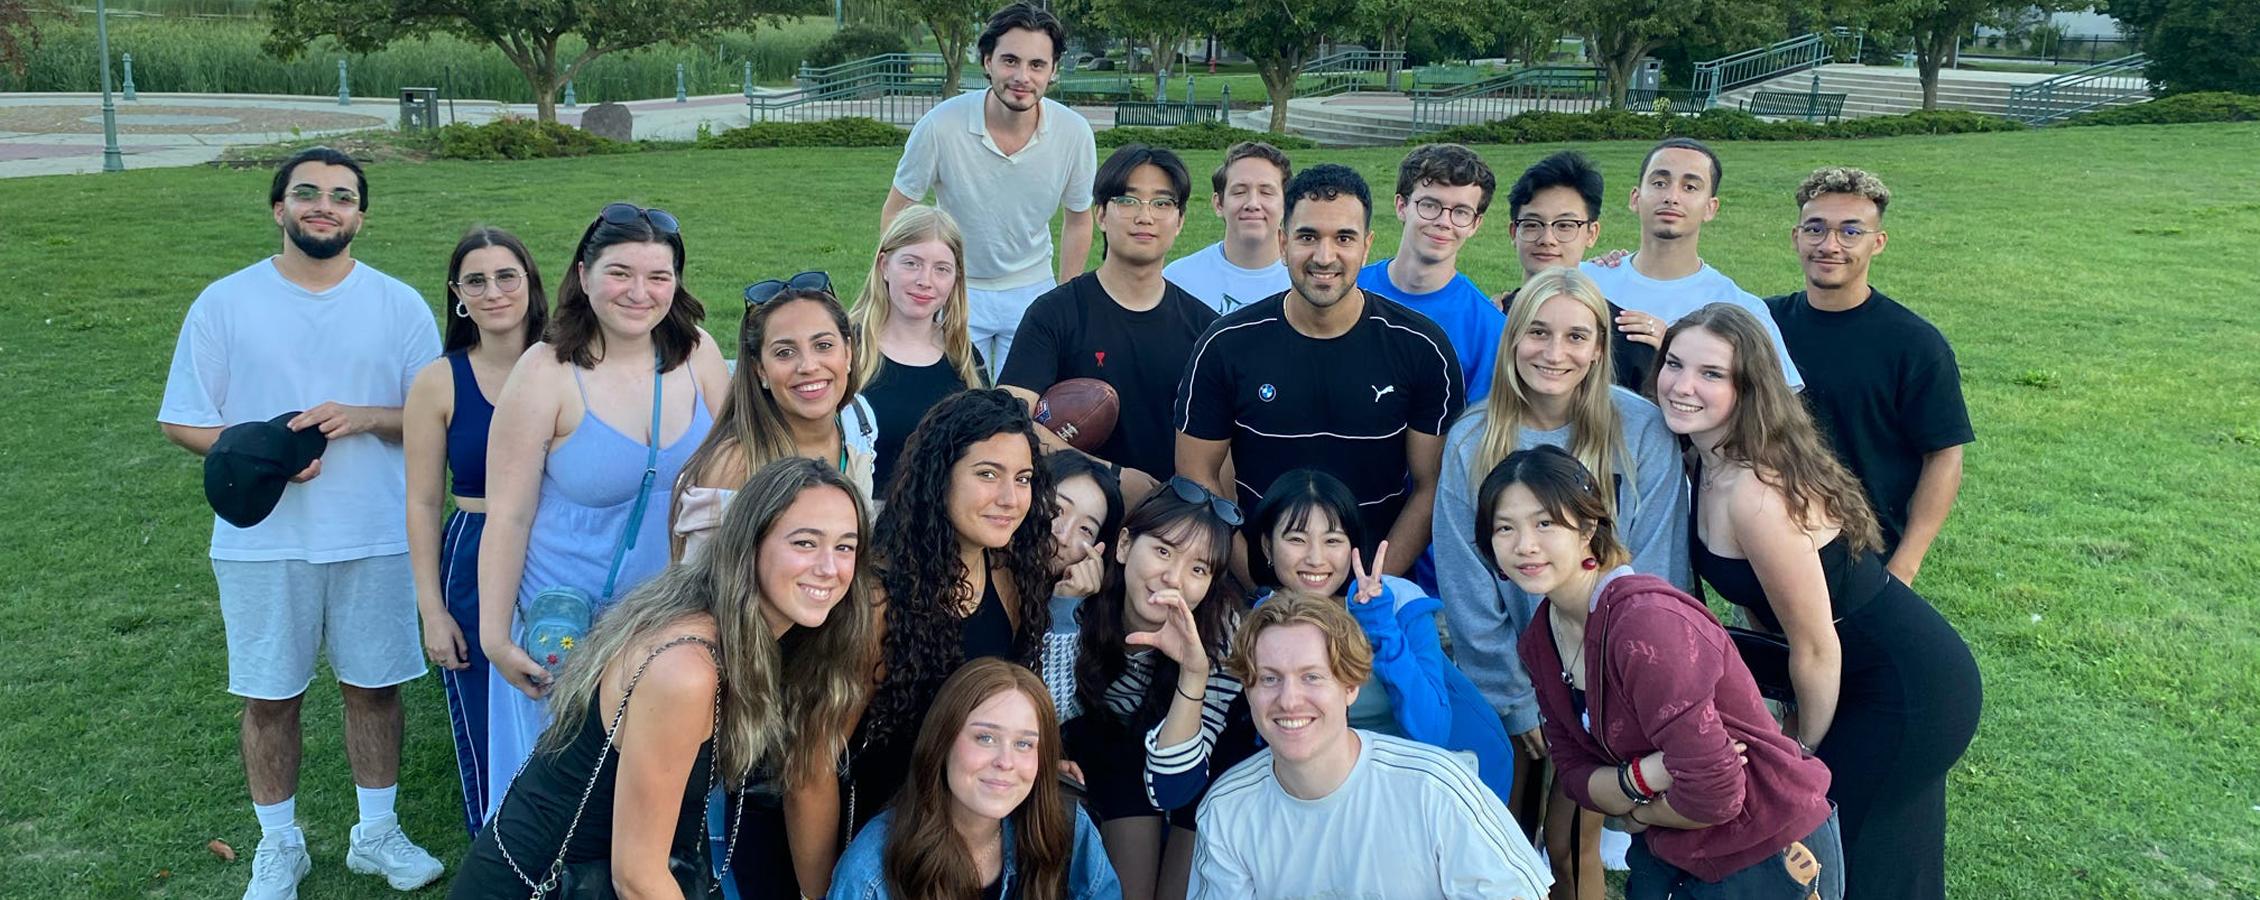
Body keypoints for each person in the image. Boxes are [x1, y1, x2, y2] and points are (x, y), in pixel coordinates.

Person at [157, 147, 447, 899]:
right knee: (270, 697)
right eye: (308, 193)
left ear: (361, 216)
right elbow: (184, 421)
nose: (326, 206)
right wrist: (268, 451)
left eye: (342, 197)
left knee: (375, 689)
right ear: (278, 208)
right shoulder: (226, 302)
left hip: (376, 532)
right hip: (262, 541)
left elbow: (431, 417)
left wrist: (363, 417)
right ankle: (279, 844)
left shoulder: (397, 304)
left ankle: (375, 834)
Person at [1657, 303, 1982, 899]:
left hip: (1904, 690)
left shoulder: (1757, 494)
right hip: (1852, 674)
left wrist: (1800, 746)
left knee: (1836, 853)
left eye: (1711, 374)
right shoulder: (1707, 460)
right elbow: (1769, 612)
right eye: (1674, 364)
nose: (1682, 386)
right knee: (1886, 863)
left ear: (1748, 388)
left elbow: (1814, 644)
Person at [452, 457, 877, 900]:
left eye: (845, 547)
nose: (830, 568)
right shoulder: (686, 668)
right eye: (806, 543)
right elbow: (636, 877)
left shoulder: (775, 634)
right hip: (548, 883)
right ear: (750, 544)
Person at [1488, 445, 1842, 900]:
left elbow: (1717, 794)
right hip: (1671, 854)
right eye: (1504, 528)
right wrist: (1647, 777)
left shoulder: (1645, 627)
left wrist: (1634, 814)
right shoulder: (1541, 639)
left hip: (1767, 850)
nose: (1525, 545)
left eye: (1545, 523)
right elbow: (1576, 774)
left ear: (1588, 527)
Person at [1433, 266, 1687, 896]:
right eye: (1538, 333)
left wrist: (1620, 688)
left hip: (1610, 679)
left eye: (1577, 336)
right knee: (1500, 844)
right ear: (1513, 339)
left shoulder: (1641, 428)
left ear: (1600, 347)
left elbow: (1657, 564)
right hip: (1513, 679)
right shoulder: (1473, 437)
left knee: (1572, 849)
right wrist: (1517, 697)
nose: (1555, 352)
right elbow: (1468, 583)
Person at [477, 202, 731, 817]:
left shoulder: (697, 353)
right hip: (570, 627)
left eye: (658, 276)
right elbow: (506, 515)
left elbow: (735, 471)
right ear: (584, 274)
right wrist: (492, 637)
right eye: (620, 273)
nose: (639, 293)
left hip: (674, 618)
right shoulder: (545, 374)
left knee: (658, 799)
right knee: (564, 810)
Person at [1175, 163, 1463, 580]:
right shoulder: (1226, 344)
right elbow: (1197, 476)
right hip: (1253, 585)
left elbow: (1430, 486)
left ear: (1366, 247)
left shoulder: (1422, 347)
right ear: (1282, 242)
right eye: (1308, 237)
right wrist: (1254, 583)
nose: (1324, 257)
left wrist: (1373, 588)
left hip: (1377, 588)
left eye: (1343, 238)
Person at [1189, 594, 1550, 899]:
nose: (1289, 699)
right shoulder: (1226, 810)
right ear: (1247, 690)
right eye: (1269, 679)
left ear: (1350, 687)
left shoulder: (1436, 787)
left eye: (1312, 677)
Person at [845, 388, 1060, 845]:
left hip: (975, 827)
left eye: (1023, 479)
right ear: (939, 477)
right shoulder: (878, 600)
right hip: (881, 837)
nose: (1010, 498)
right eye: (988, 474)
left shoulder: (1011, 580)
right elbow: (814, 768)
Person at [1246, 469, 1515, 805]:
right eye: (1297, 539)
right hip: (1339, 786)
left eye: (1333, 540)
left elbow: (1431, 731)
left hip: (1446, 774)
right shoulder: (1265, 619)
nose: (1315, 558)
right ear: (1266, 545)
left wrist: (1379, 625)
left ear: (1353, 549)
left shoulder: (1399, 602)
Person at [404, 226, 551, 836]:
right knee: (488, 710)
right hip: (473, 546)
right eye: (477, 281)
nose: (494, 292)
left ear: (529, 283)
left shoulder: (567, 362)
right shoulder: (441, 380)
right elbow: (421, 500)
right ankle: (500, 853)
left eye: (506, 276)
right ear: (458, 295)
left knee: (560, 692)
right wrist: (432, 611)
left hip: (553, 544)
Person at [1765, 167, 1972, 586]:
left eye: (1850, 232)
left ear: (1877, 243)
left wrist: (1905, 566)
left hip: (1870, 555)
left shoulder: (1915, 344)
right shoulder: (1762, 324)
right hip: (1771, 546)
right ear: (1795, 237)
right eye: (1816, 229)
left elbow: (1944, 455)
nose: (1830, 245)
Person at [1053, 479, 1252, 900]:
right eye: (1163, 550)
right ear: (1124, 545)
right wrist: (1065, 613)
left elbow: (1176, 785)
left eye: (1198, 569)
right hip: (1117, 749)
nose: (1173, 578)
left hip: (1203, 761)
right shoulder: (1082, 601)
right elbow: (1050, 716)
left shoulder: (1222, 634)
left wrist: (1194, 673)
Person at [880, 2, 1096, 380]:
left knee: (1025, 415)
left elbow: (1079, 220)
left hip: (1035, 290)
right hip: (957, 290)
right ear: (987, 61)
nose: (1022, 77)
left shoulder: (1074, 133)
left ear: (1054, 70)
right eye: (1009, 61)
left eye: (1037, 65)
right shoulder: (940, 126)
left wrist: (1065, 299)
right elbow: (897, 211)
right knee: (956, 412)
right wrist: (905, 284)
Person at [1002, 143, 1218, 485]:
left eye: (1162, 203)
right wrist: (1112, 478)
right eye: (1128, 200)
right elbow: (1009, 418)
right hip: (1068, 513)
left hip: (1169, 519)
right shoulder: (1054, 313)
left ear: (1179, 221)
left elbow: (1221, 449)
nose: (1144, 216)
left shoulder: (1205, 330)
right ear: (1101, 214)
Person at [828, 658, 1122, 899]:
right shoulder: (873, 868)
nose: (1005, 762)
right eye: (985, 737)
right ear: (942, 742)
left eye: (1024, 744)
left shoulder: (1067, 828)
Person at [1578, 138, 1802, 392]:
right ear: (1635, 198)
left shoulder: (1741, 307)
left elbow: (1774, 409)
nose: (1672, 197)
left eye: (1690, 187)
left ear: (1710, 208)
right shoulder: (1587, 280)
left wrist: (1677, 349)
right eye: (1660, 183)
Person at [674, 280, 874, 561]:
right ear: (761, 370)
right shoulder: (737, 465)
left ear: (848, 352)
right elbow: (699, 588)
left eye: (823, 345)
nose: (808, 366)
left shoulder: (858, 423)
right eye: (784, 352)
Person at [849, 204, 988, 492]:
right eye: (911, 263)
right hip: (860, 520)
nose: (925, 281)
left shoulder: (964, 358)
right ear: (884, 265)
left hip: (937, 525)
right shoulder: (847, 348)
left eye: (941, 269)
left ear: (955, 279)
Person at [1356, 142, 1508, 402]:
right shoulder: (1350, 288)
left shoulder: (1488, 329)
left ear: (1475, 224)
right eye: (1430, 205)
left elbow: (1475, 429)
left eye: (1461, 212)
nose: (1443, 222)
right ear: (1402, 206)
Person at [1495, 151, 1652, 391]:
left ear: (1591, 233)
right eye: (1532, 224)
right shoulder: (1491, 320)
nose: (1547, 239)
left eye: (1566, 226)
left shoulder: (1628, 341)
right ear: (1514, 233)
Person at [1162, 141, 1293, 315]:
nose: (1253, 203)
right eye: (1239, 192)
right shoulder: (1178, 281)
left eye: (1266, 192)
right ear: (1218, 204)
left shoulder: (1305, 284)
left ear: (1286, 204)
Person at [1040, 450, 1124, 714]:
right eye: (1056, 509)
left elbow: (1051, 714)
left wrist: (1062, 610)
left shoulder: (1083, 616)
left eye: (1086, 529)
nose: (1063, 536)